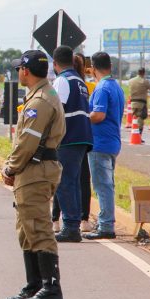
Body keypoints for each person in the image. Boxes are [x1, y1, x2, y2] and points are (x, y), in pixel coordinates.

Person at [2, 50, 66, 299]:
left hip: (35, 170)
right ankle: (35, 285)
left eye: (20, 68)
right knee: (27, 228)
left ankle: (51, 288)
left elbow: (27, 141)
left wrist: (10, 168)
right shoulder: (42, 95)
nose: (18, 72)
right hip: (33, 170)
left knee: (38, 227)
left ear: (25, 71)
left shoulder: (40, 101)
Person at [50, 46, 93, 243]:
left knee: (64, 182)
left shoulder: (63, 80)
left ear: (55, 64)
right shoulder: (80, 81)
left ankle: (70, 226)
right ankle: (73, 224)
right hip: (82, 136)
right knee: (73, 181)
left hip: (69, 137)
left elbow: (56, 110)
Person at [84, 51, 125, 240]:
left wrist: (83, 117)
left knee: (102, 185)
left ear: (93, 68)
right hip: (112, 141)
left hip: (100, 143)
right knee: (107, 184)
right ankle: (105, 222)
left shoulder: (101, 88)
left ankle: (106, 225)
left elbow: (98, 115)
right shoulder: (116, 86)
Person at [74, 53, 95, 233]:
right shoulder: (89, 86)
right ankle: (84, 219)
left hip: (68, 138)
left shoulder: (65, 83)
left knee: (65, 180)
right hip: (87, 136)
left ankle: (58, 219)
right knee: (83, 178)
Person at [127, 68, 150, 141]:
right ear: (143, 73)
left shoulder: (131, 81)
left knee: (134, 118)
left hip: (132, 102)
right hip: (141, 103)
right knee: (140, 119)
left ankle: (133, 134)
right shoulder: (144, 81)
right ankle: (138, 136)